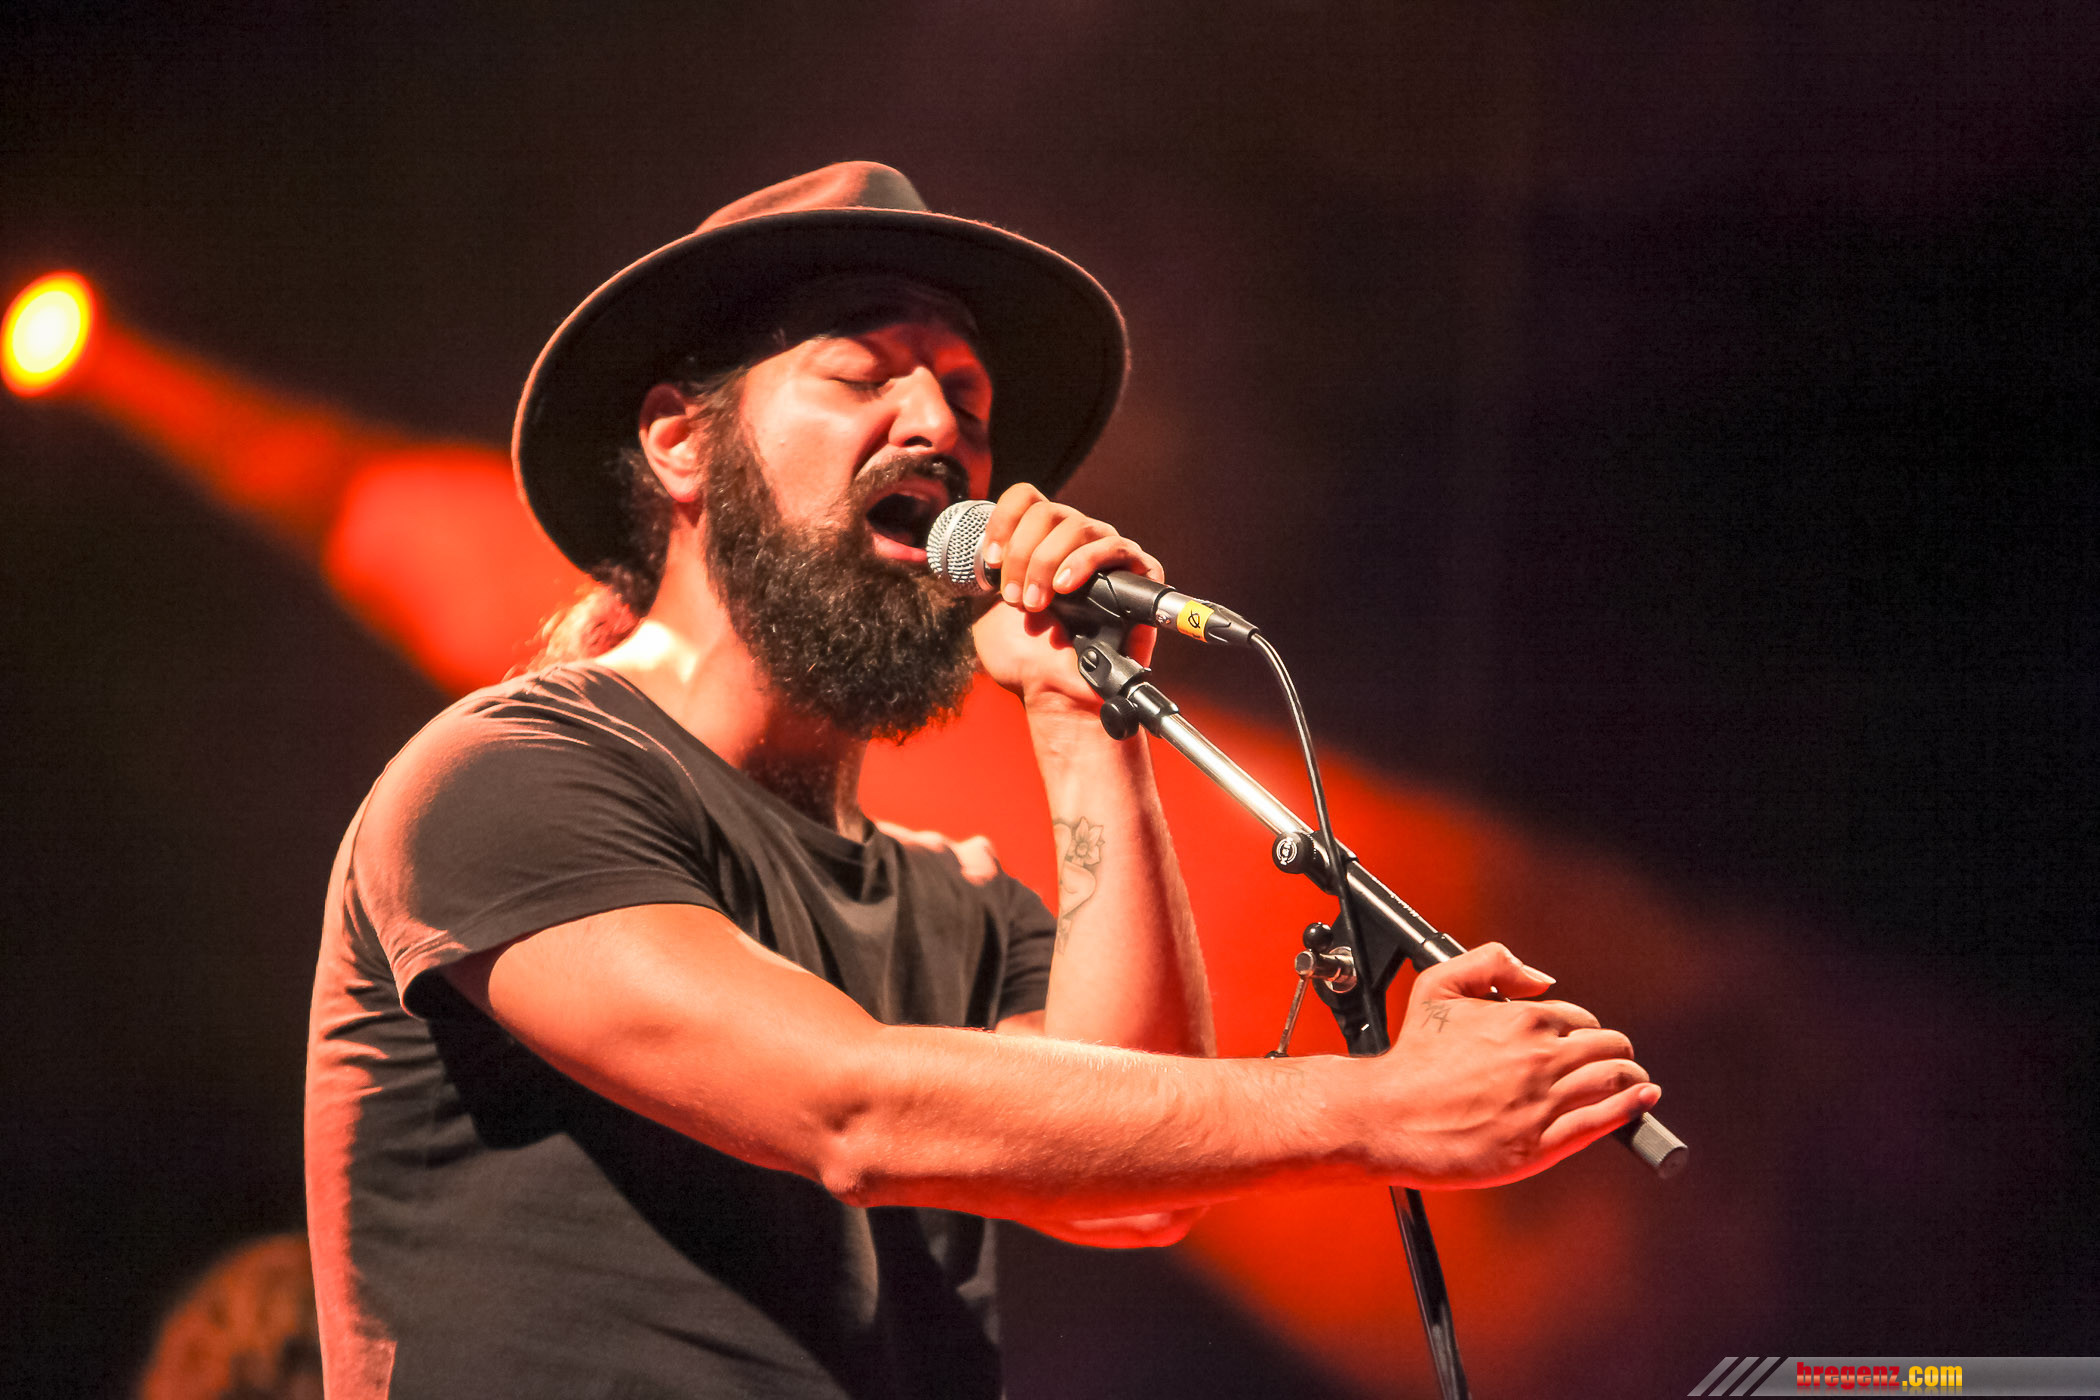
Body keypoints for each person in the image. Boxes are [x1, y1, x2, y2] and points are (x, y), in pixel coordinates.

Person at [303, 162, 1660, 1399]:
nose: (937, 424)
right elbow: (847, 1110)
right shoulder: (508, 777)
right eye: (862, 375)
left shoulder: (955, 903)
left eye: (967, 396)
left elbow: (1134, 1186)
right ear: (679, 441)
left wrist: (1078, 711)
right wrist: (1382, 1111)